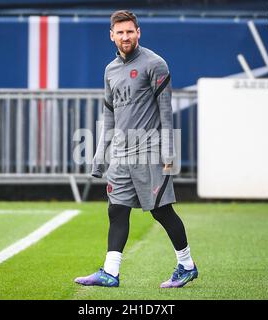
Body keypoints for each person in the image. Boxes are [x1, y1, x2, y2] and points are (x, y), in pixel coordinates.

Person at [74, 10, 197, 288]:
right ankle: (110, 272)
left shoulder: (156, 64)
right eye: (120, 32)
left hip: (150, 152)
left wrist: (168, 152)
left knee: (161, 211)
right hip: (120, 155)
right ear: (112, 36)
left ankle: (187, 264)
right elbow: (109, 116)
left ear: (138, 32)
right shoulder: (109, 70)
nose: (125, 36)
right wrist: (100, 154)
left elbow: (166, 113)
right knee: (116, 210)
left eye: (130, 31)